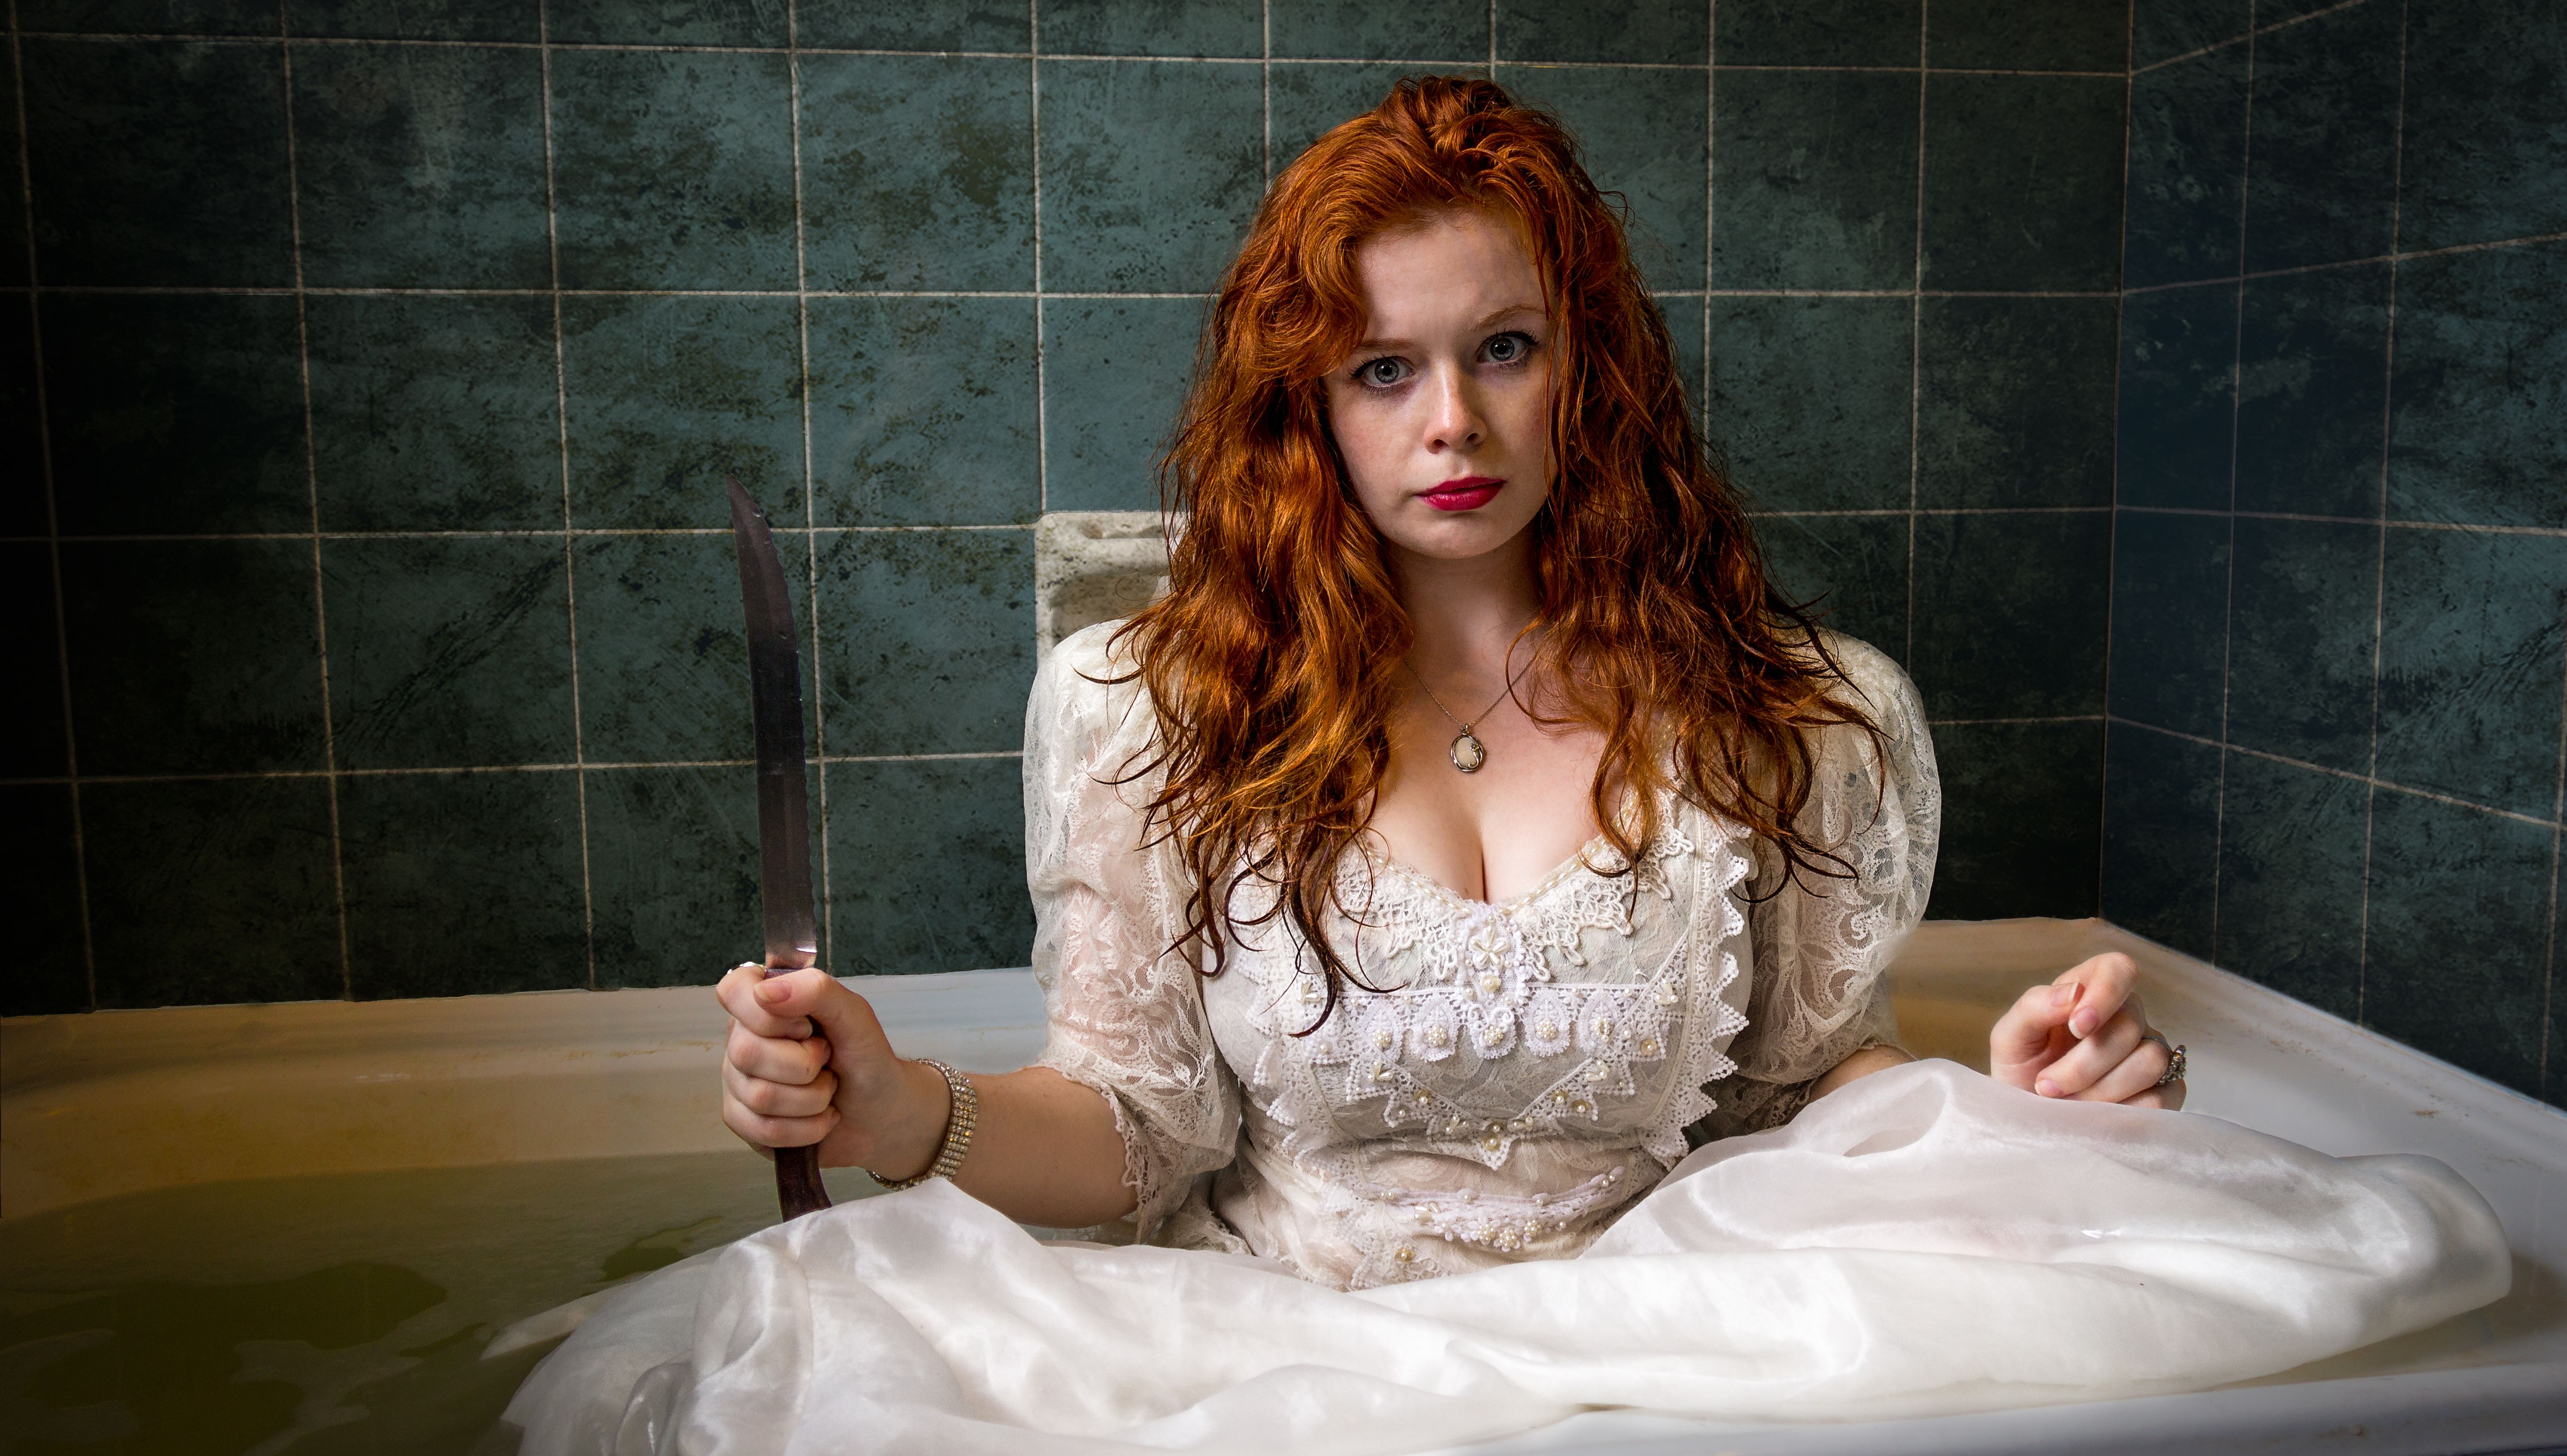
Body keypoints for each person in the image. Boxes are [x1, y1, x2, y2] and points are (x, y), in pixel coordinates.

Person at [505, 79, 2505, 1453]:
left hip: (1674, 1344)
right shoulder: (1151, 713)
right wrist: (891, 1103)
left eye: (1504, 347)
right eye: (1382, 368)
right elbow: (1135, 1134)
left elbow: (1802, 1102)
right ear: (1317, 409)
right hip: (1265, 1346)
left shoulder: (1798, 718)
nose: (1448, 419)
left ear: (1591, 367)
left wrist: (2016, 1111)